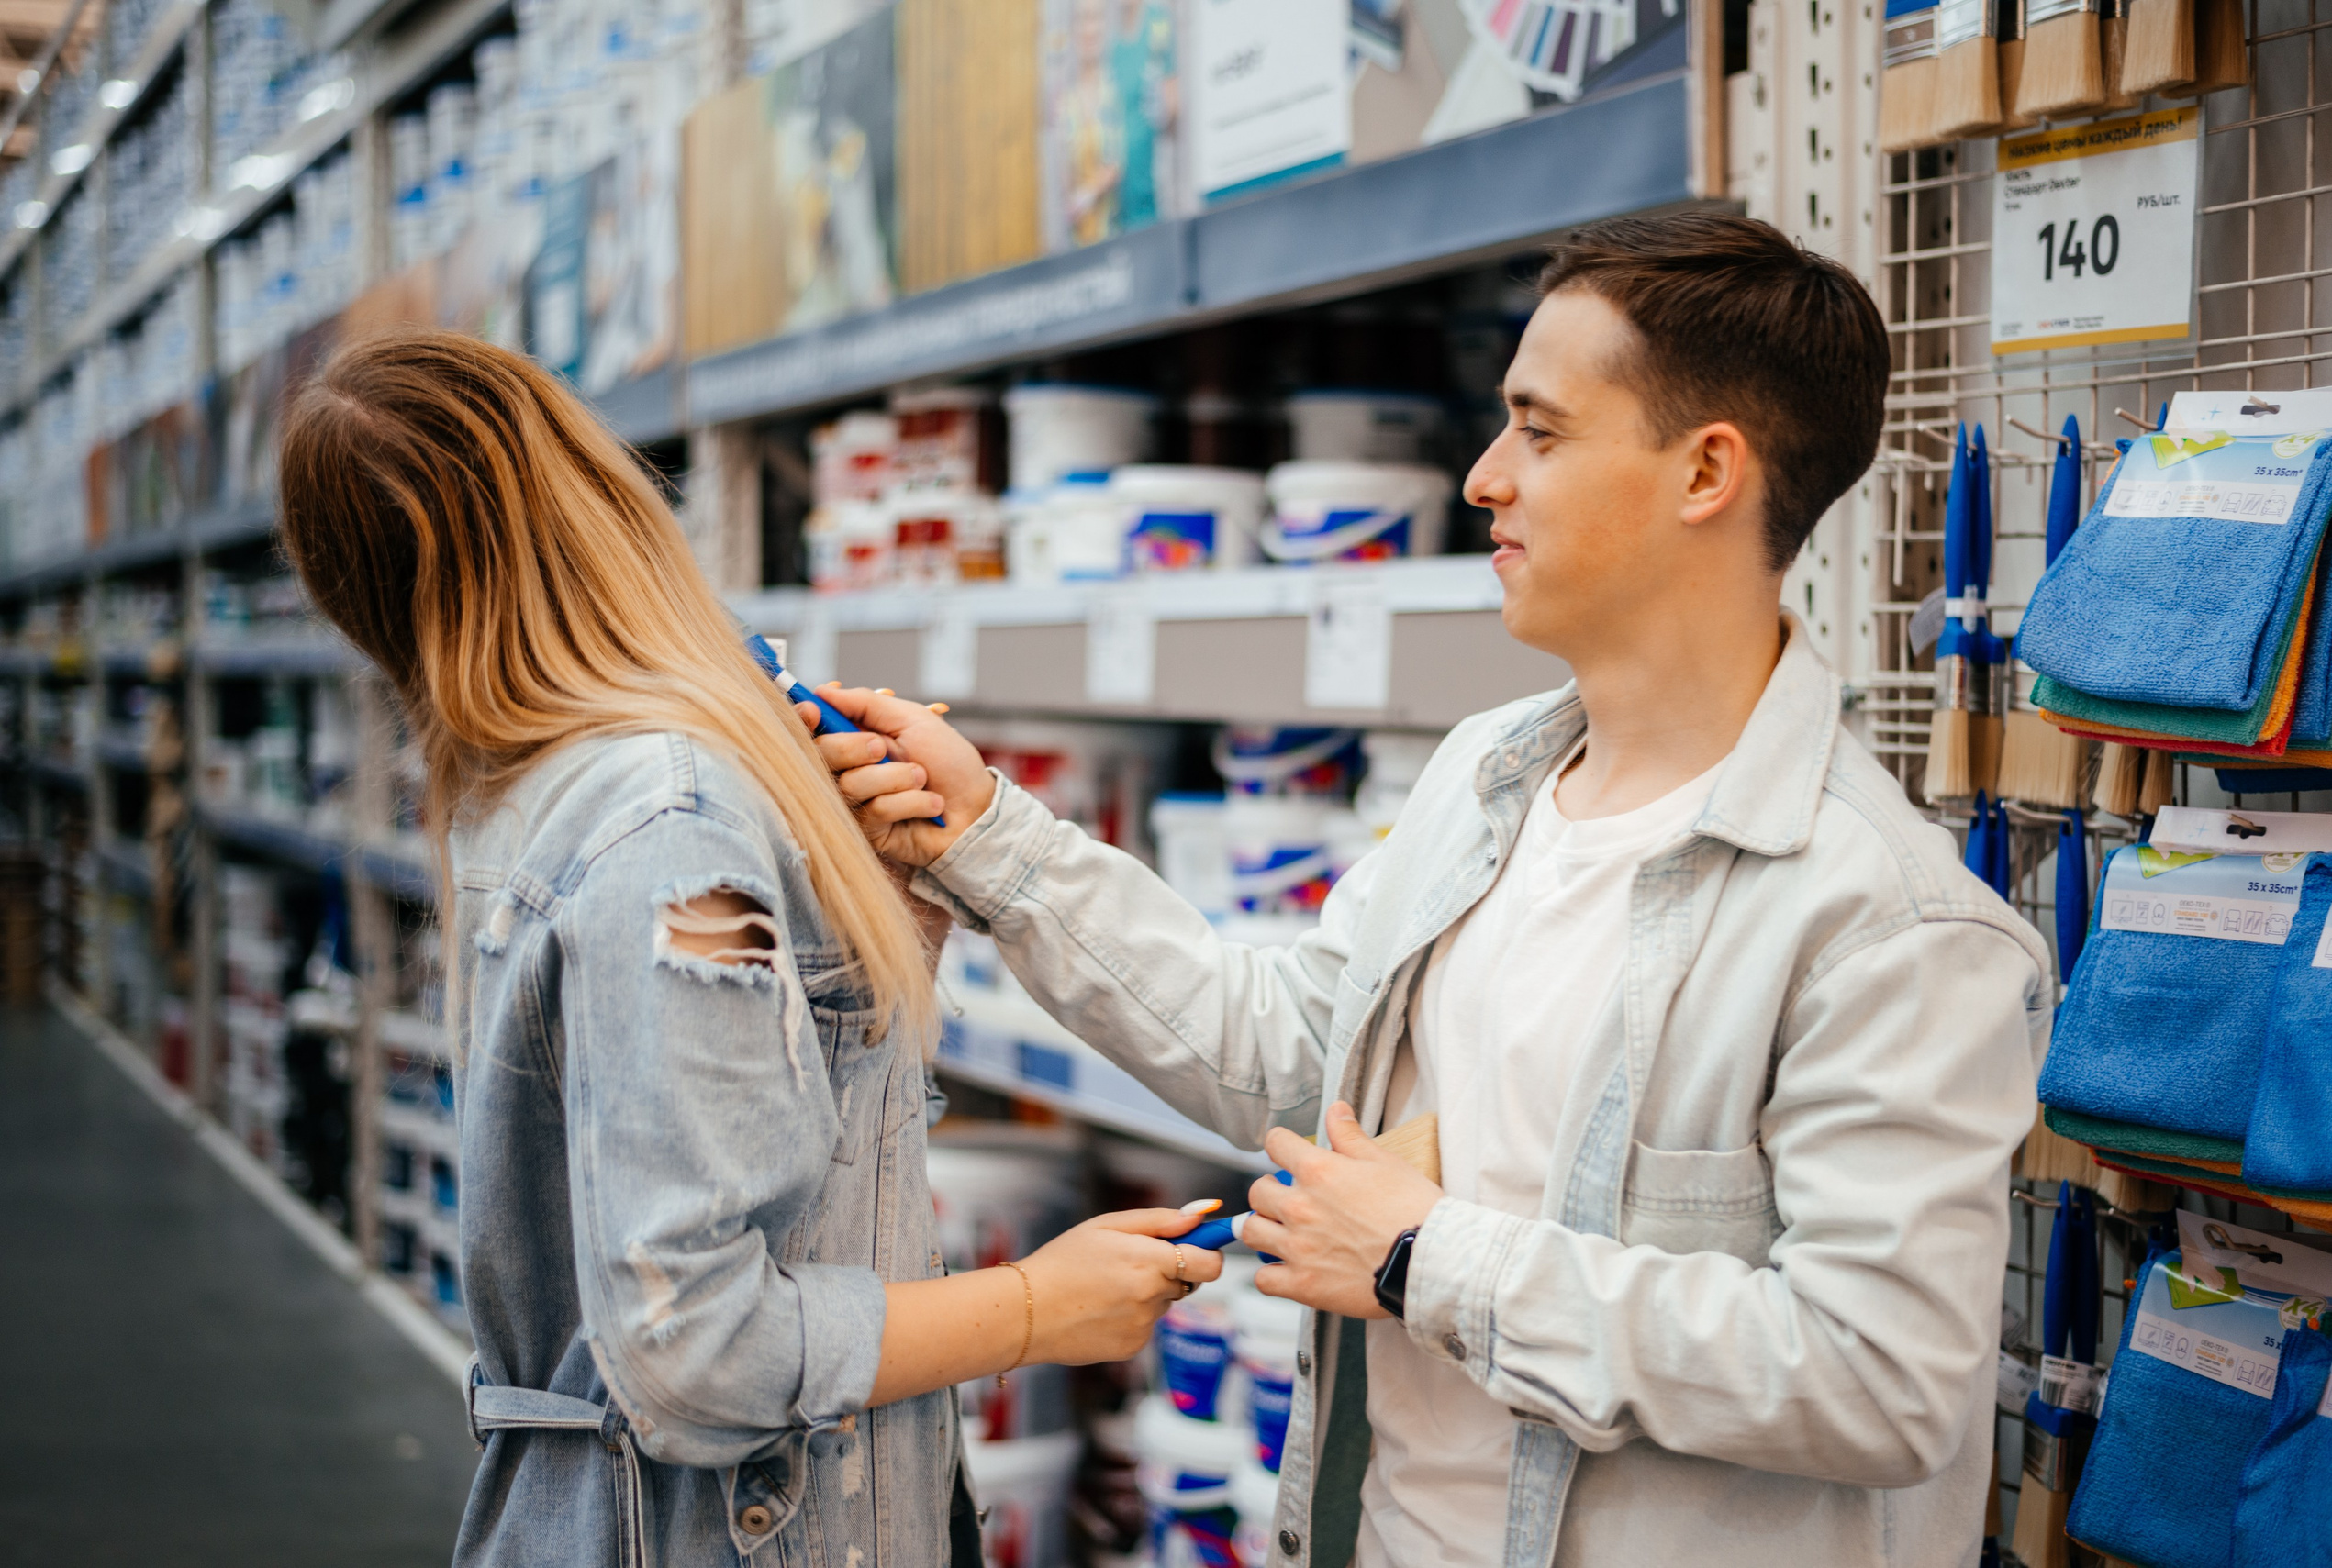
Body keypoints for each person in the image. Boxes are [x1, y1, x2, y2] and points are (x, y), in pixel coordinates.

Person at [807, 214, 2053, 1567]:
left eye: (1541, 430)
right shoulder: (1483, 782)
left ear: (1707, 470)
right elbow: (1299, 1056)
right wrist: (986, 829)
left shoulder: (1882, 922)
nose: (1480, 477)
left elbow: (1882, 1375)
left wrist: (1423, 1261)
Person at [273, 328, 1223, 1568]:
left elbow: (749, 1140)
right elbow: (692, 1348)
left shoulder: (528, 786)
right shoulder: (669, 821)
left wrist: (882, 915)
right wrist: (1039, 1306)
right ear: (593, 495)